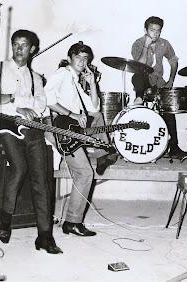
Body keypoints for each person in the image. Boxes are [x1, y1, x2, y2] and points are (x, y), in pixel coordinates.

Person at [0, 29, 62, 254]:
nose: (18, 49)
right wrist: (18, 104)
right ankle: (5, 219)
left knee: (41, 181)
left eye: (24, 45)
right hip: (6, 127)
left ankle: (44, 236)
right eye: (15, 44)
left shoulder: (36, 78)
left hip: (32, 131)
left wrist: (15, 98)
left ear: (32, 49)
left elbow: (41, 106)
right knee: (18, 169)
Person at [45, 42, 117, 237]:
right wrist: (72, 114)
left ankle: (103, 155)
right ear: (70, 59)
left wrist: (92, 83)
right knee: (85, 174)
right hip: (59, 127)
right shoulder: (62, 74)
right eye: (78, 57)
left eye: (86, 59)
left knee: (99, 117)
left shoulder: (75, 80)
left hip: (72, 126)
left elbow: (93, 109)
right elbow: (47, 99)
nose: (82, 61)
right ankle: (72, 223)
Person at [131, 16, 185, 157]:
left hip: (158, 81)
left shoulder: (164, 43)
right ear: (146, 30)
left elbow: (173, 60)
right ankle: (139, 98)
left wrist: (171, 80)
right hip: (143, 80)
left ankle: (174, 147)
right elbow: (140, 64)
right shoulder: (138, 43)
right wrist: (146, 45)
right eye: (152, 30)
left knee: (169, 108)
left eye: (158, 31)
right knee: (138, 75)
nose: (155, 33)